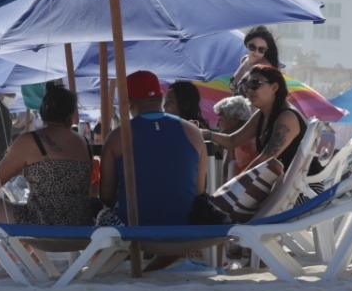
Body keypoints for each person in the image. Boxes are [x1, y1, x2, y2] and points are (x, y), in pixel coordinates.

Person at [0, 84, 95, 274]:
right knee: (27, 210)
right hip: (81, 227)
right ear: (71, 114)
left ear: (43, 112)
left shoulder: (31, 141)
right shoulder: (83, 142)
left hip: (43, 226)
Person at [98, 70, 206, 229]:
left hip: (134, 230)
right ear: (160, 98)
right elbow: (199, 191)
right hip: (184, 229)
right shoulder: (194, 132)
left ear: (129, 102)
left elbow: (107, 197)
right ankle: (167, 255)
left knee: (103, 216)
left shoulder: (117, 137)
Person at [204, 64, 310, 174]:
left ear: (274, 87)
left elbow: (265, 159)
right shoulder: (262, 114)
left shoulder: (287, 117)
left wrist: (234, 184)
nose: (249, 90)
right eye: (246, 86)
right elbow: (232, 141)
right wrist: (203, 133)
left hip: (302, 186)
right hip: (283, 184)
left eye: (254, 84)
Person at [212, 95, 255, 180]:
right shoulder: (245, 138)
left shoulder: (241, 143)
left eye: (220, 119)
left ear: (235, 118)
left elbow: (221, 178)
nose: (217, 125)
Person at [231, 25, 284, 93]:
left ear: (266, 50)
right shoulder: (244, 59)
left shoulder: (266, 69)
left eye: (261, 49)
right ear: (247, 43)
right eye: (252, 47)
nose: (256, 51)